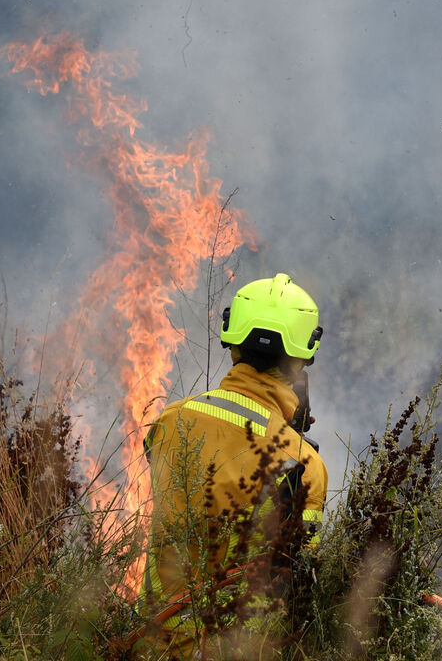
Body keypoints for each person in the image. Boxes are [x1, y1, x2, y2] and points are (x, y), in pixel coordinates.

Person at [141, 272, 328, 655]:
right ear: (301, 357)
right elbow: (302, 574)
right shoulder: (302, 462)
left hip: (154, 646)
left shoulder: (170, 422)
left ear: (233, 341)